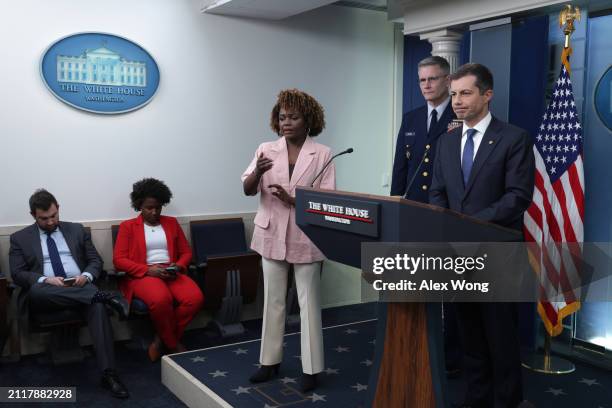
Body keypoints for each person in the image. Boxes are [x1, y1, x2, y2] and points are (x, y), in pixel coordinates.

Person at [429, 63, 535, 408]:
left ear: (487, 95)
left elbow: (517, 197)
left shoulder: (513, 138)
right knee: (469, 335)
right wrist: (449, 227)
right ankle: (477, 399)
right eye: (454, 93)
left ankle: (507, 402)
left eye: (465, 93)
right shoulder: (445, 141)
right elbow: (437, 193)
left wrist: (468, 225)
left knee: (500, 338)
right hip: (458, 254)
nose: (457, 101)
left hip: (498, 254)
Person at [242, 89, 335, 392]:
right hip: (270, 233)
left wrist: (295, 200)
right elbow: (247, 189)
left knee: (308, 303)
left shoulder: (322, 153)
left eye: (293, 117)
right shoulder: (265, 149)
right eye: (282, 117)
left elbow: (327, 200)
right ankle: (269, 363)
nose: (286, 122)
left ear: (308, 120)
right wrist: (257, 171)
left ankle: (312, 369)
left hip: (306, 235)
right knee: (274, 301)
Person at [9, 189, 129, 399]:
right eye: (44, 218)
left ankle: (109, 373)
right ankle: (107, 296)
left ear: (58, 208)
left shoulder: (76, 230)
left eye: (54, 215)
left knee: (97, 304)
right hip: (46, 294)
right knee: (36, 289)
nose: (50, 222)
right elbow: (18, 274)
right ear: (33, 215)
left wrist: (86, 276)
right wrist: (46, 280)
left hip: (80, 286)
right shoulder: (20, 238)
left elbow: (95, 261)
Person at [113, 178, 204, 361]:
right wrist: (148, 270)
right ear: (139, 206)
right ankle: (173, 344)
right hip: (144, 275)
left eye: (158, 207)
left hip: (171, 271)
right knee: (161, 299)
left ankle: (159, 339)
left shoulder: (171, 223)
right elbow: (119, 260)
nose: (154, 212)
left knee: (195, 299)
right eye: (149, 208)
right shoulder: (128, 227)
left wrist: (178, 265)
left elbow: (186, 252)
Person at [391, 56, 456, 201]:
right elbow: (400, 166)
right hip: (414, 203)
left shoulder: (460, 116)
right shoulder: (410, 118)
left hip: (447, 204)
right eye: (422, 80)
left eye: (432, 79)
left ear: (447, 81)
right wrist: (395, 200)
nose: (426, 85)